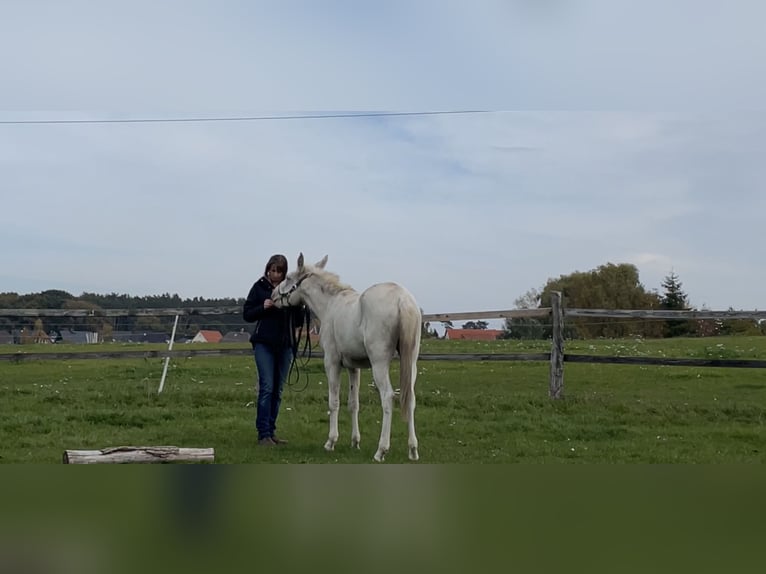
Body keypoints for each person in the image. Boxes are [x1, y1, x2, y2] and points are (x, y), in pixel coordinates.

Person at [243, 254, 305, 446]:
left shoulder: (289, 290)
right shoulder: (259, 287)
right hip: (264, 343)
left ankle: (271, 430)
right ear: (267, 269)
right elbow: (247, 314)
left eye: (279, 271)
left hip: (285, 344)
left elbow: (298, 321)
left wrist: (299, 306)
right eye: (272, 270)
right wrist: (262, 307)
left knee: (277, 390)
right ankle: (263, 433)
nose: (275, 274)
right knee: (267, 387)